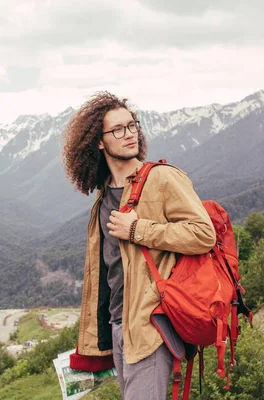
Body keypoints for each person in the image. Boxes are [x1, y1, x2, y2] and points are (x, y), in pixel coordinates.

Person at [62, 92, 216, 400]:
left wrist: (137, 229)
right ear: (99, 142)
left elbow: (203, 234)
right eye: (117, 129)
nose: (129, 133)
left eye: (132, 125)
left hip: (149, 326)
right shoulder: (104, 193)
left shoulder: (161, 178)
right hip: (118, 326)